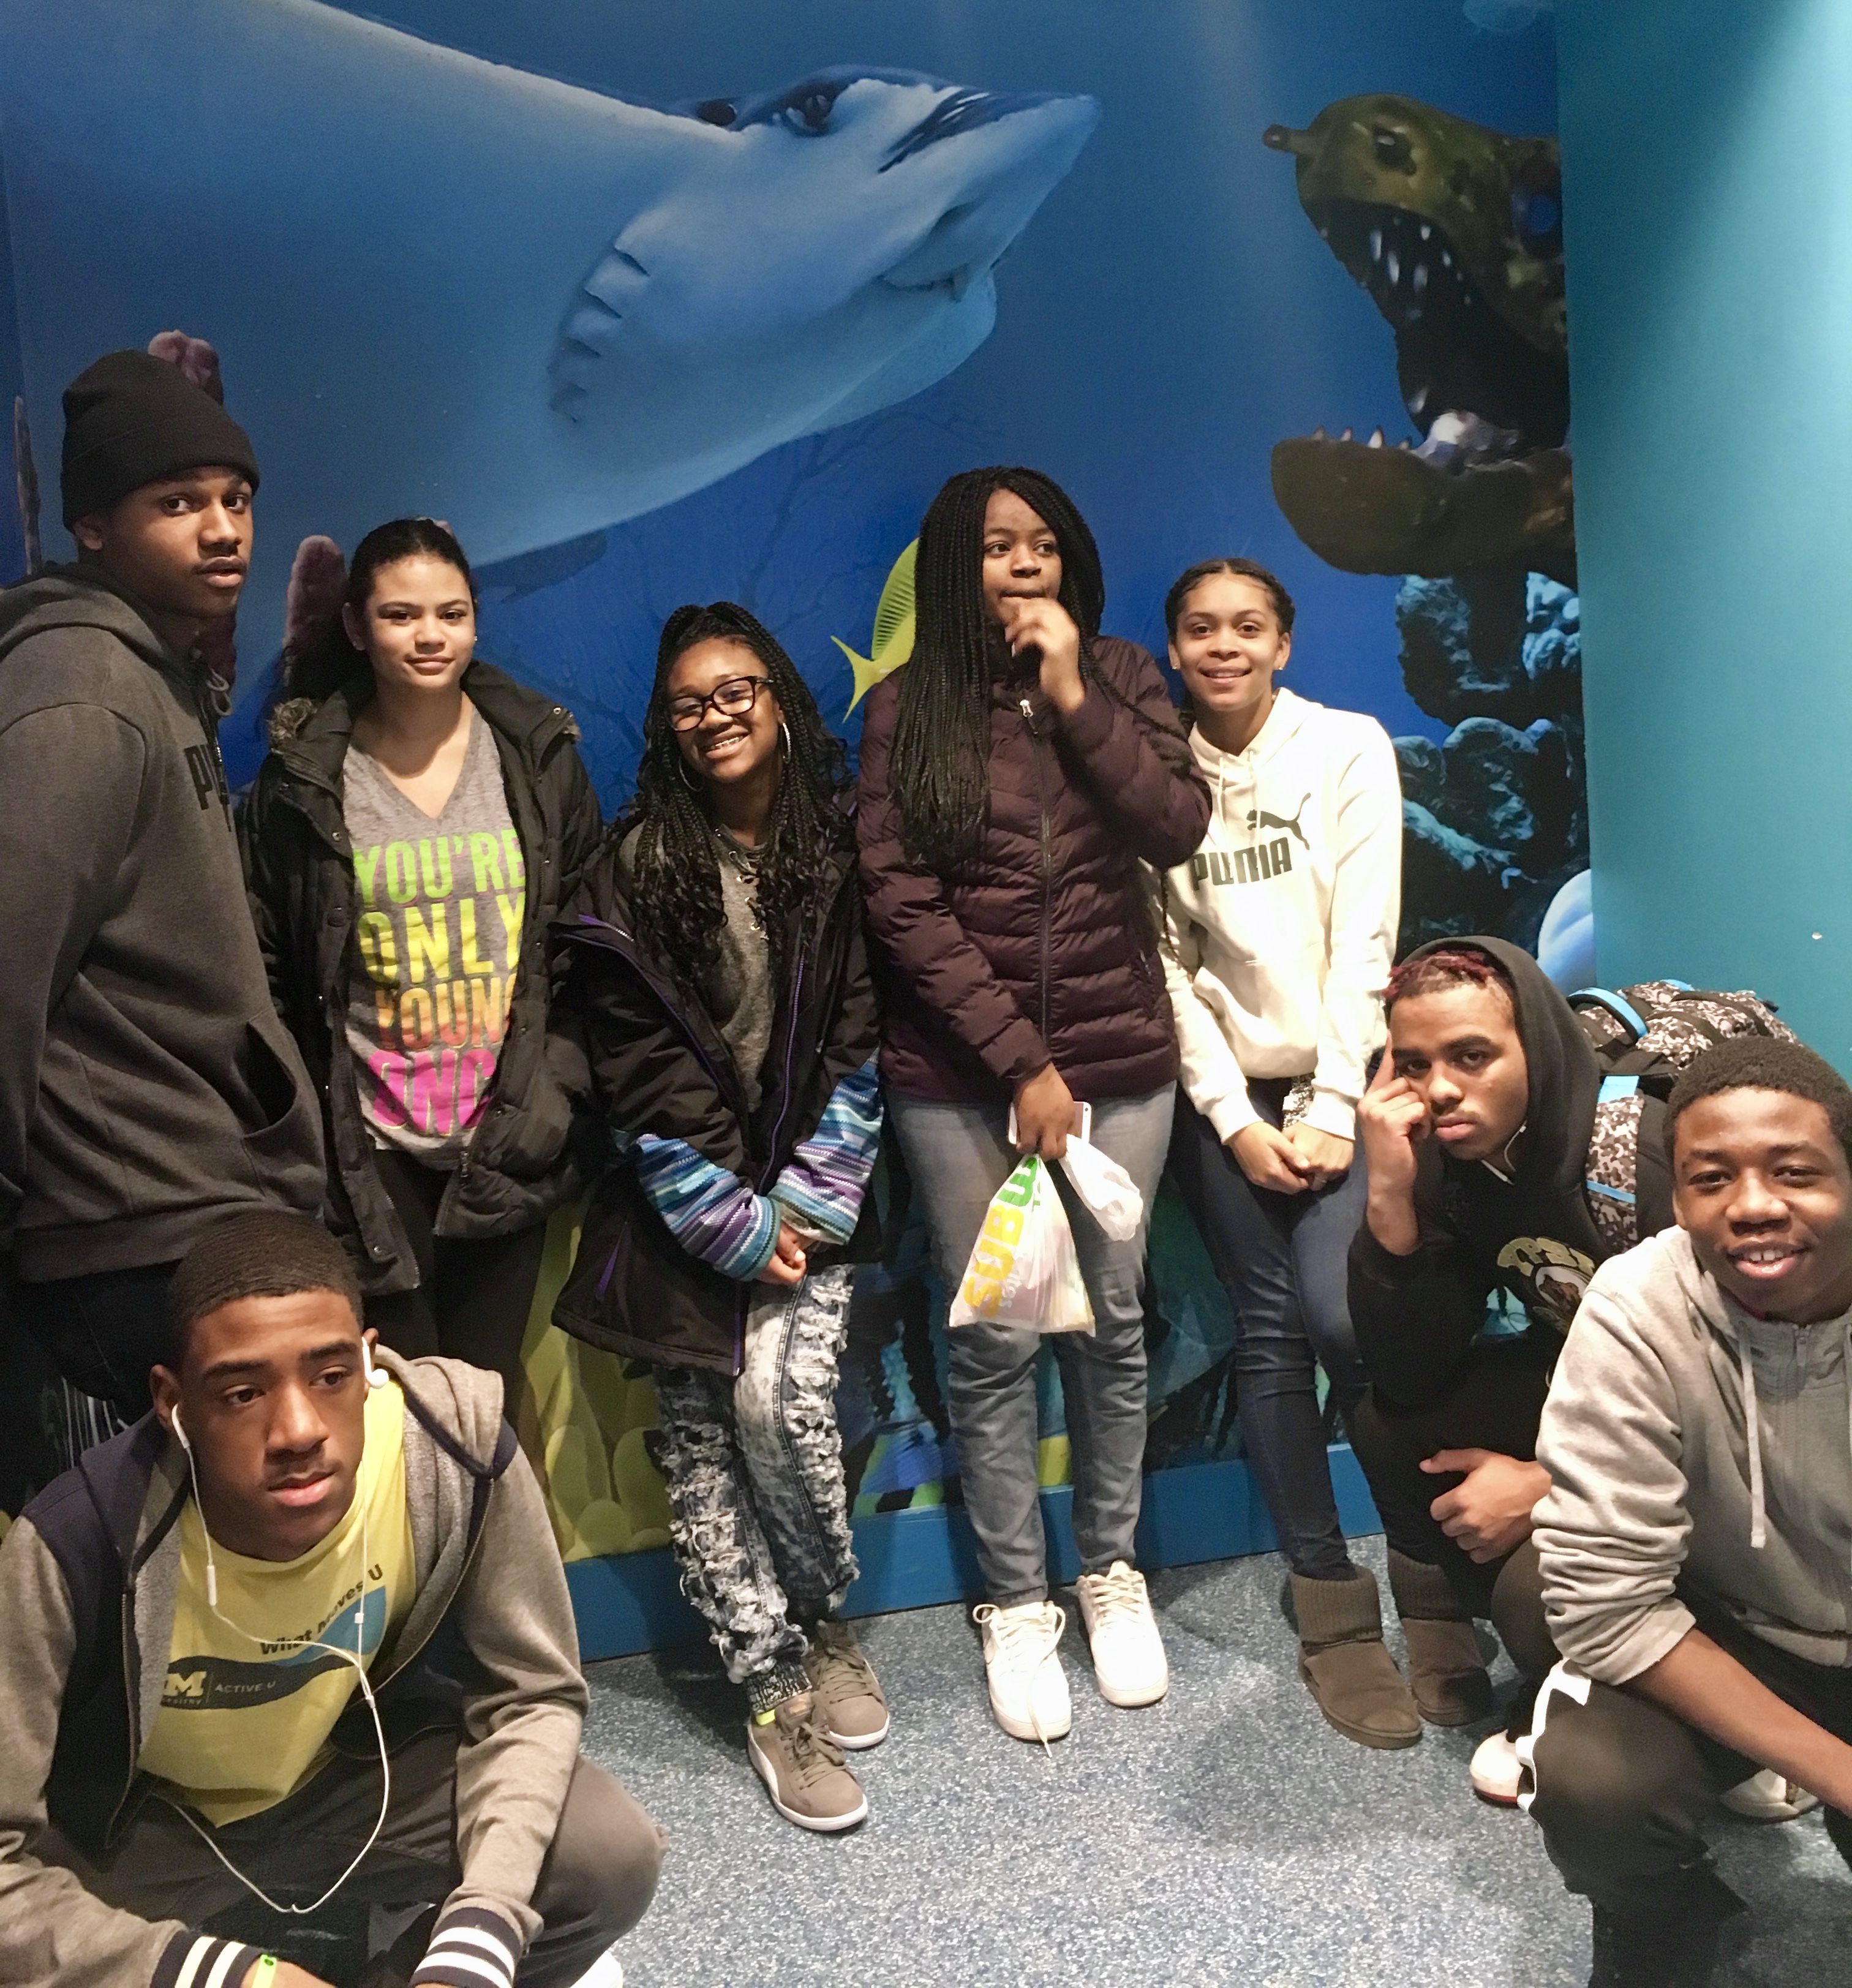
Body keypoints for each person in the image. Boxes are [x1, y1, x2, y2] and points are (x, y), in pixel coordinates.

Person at [0, 1207, 662, 1988]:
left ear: (369, 1361)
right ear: (173, 1402)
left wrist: (477, 1938)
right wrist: (220, 1976)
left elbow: (533, 1695)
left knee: (606, 1855)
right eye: (242, 1393)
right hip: (147, 1829)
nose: (298, 1429)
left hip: (352, 1783)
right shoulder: (74, 1544)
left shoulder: (454, 1447)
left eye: (331, 1376)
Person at [857, 465, 1210, 1744]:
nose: (1023, 565)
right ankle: (1015, 1600)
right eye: (997, 546)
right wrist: (1018, 1062)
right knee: (996, 1337)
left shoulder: (1116, 676)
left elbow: (1173, 823)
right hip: (962, 1081)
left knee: (1111, 1327)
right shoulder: (905, 708)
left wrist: (1072, 695)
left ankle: (1108, 1572)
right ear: (956, 564)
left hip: (1120, 1064)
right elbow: (899, 900)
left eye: (1043, 545)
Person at [552, 603, 886, 1833]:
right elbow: (636, 1056)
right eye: (690, 701)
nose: (716, 715)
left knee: (783, 1411)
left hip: (818, 1192)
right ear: (667, 726)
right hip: (677, 1211)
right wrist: (724, 1214)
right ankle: (770, 1689)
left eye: (737, 689)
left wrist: (805, 1195)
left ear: (780, 701)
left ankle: (824, 1616)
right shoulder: (635, 869)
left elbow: (863, 1026)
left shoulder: (842, 850)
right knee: (700, 1444)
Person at [0, 350, 324, 1424]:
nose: (224, 529)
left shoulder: (157, 673)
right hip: (127, 1237)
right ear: (93, 525)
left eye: (237, 498)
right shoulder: (81, 691)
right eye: (178, 502)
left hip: (193, 1211)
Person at [241, 519, 602, 1417]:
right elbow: (271, 967)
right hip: (371, 1150)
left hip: (505, 1136)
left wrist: (553, 1095)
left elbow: (587, 942)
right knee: (400, 1415)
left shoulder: (538, 758)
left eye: (452, 612)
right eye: (401, 615)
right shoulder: (306, 779)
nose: (430, 635)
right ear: (357, 627)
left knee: (484, 1407)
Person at [1148, 557, 1410, 1748]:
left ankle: (1433, 1590)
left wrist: (1334, 1104)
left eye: (1247, 626)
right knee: (1269, 1336)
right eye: (1200, 628)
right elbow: (1164, 967)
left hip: (1340, 1078)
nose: (1224, 646)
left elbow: (1367, 940)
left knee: (1350, 1324)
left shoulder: (1346, 747)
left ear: (1283, 643)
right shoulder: (1151, 774)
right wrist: (1236, 1121)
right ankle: (1331, 1611)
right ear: (1172, 648)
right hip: (1230, 1100)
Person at [1526, 1039, 1852, 1988]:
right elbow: (1606, 1605)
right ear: (1677, 1200)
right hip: (1733, 1622)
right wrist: (1840, 1770)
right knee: (1597, 1787)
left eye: (1795, 1171)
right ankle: (1663, 1929)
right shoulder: (1638, 1306)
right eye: (1713, 1177)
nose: (1753, 1204)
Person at [1348, 938, 1619, 1791]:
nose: (1438, 1089)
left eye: (1472, 1056)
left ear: (1533, 1047)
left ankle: (1733, 1703)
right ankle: (1589, 1667)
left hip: (1746, 1435)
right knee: (1391, 1425)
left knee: (1532, 1599)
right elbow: (1410, 1373)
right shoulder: (1456, 1159)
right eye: (1414, 1064)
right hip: (1604, 1392)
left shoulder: (1632, 1151)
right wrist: (1390, 1194)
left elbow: (1738, 1392)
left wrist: (1547, 1485)